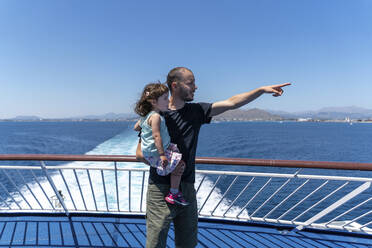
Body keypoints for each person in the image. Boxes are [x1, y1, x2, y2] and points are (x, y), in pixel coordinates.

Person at [136, 67, 291, 248]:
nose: (195, 87)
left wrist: (260, 90)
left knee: (187, 244)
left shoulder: (196, 111)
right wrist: (168, 166)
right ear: (175, 85)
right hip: (159, 190)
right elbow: (140, 154)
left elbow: (231, 103)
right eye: (190, 82)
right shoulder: (155, 116)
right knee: (155, 244)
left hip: (186, 189)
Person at [134, 82, 189, 206]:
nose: (168, 100)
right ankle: (173, 193)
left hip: (150, 152)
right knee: (180, 165)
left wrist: (143, 127)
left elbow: (136, 128)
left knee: (176, 161)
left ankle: (172, 187)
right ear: (153, 102)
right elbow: (156, 136)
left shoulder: (145, 117)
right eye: (165, 98)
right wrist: (162, 155)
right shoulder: (156, 117)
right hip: (157, 153)